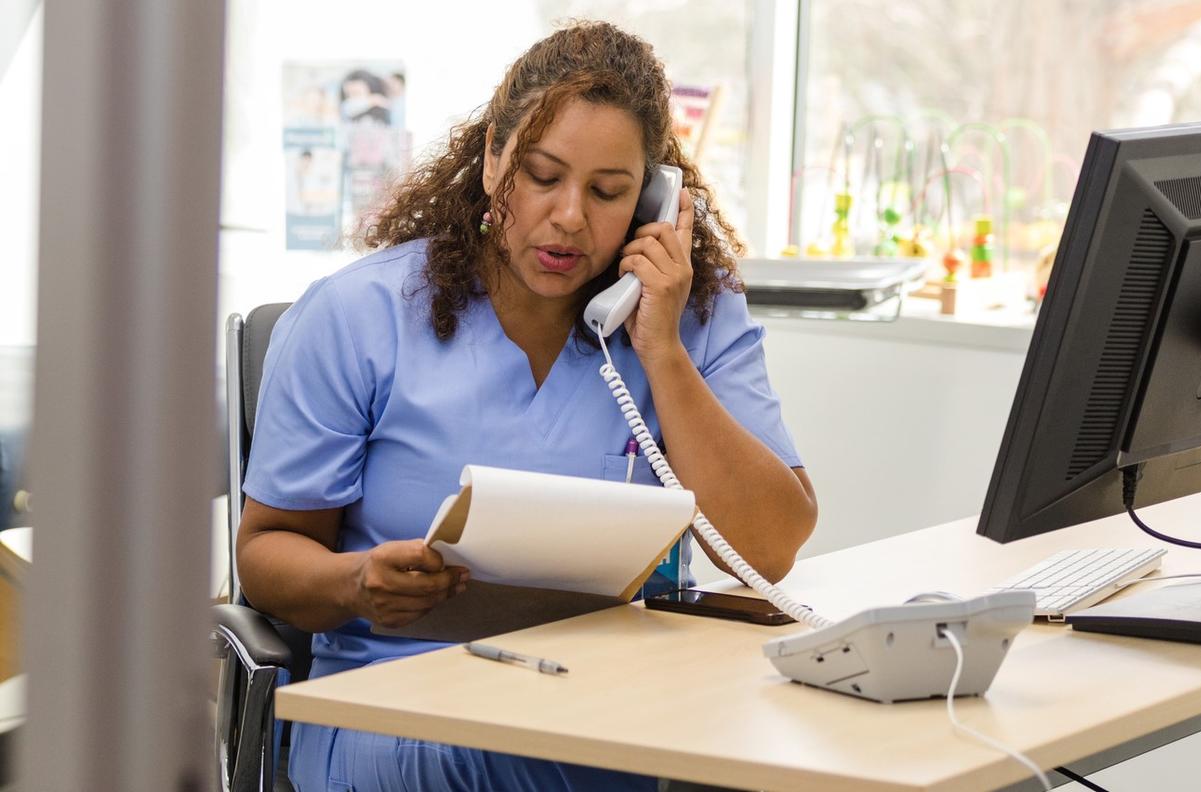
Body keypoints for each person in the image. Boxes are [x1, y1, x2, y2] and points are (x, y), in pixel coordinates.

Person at [237, 20, 817, 792]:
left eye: (608, 191)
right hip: (401, 707)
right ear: (490, 163)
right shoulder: (357, 315)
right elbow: (268, 556)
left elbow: (770, 547)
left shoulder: (691, 313)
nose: (571, 216)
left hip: (613, 703)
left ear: (652, 199)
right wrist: (356, 583)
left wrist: (663, 353)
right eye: (542, 177)